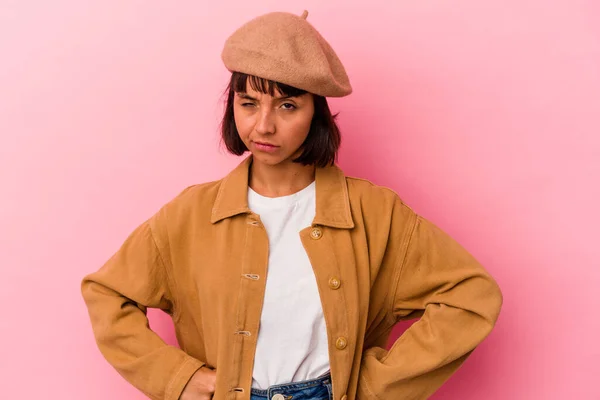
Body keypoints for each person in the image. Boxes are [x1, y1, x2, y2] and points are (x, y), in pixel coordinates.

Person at [81, 10, 503, 400]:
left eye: (287, 105)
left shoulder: (375, 213)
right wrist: (177, 377)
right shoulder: (190, 214)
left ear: (316, 113)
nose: (263, 125)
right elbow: (107, 292)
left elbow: (471, 296)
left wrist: (374, 387)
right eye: (248, 103)